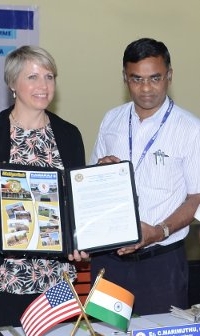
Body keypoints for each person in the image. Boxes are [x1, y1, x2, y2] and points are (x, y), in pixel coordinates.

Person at [0, 45, 86, 327]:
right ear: (12, 83)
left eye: (49, 77)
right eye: (32, 77)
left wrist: (81, 241)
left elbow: (77, 204)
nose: (43, 85)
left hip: (55, 274)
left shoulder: (69, 135)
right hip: (3, 276)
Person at [90, 38, 200, 315]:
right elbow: (91, 184)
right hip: (109, 261)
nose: (146, 88)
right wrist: (102, 171)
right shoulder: (111, 120)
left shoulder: (191, 129)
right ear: (125, 78)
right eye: (136, 79)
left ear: (169, 76)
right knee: (105, 331)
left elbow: (196, 197)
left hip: (161, 263)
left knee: (162, 332)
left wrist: (158, 231)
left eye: (155, 78)